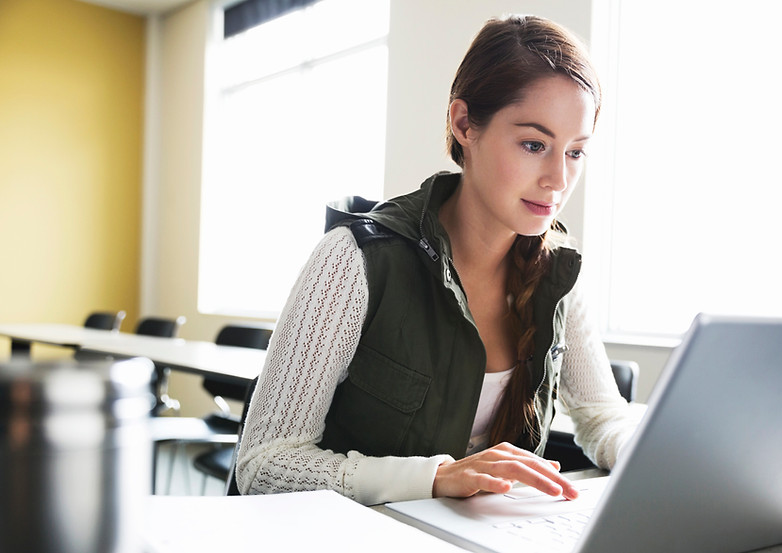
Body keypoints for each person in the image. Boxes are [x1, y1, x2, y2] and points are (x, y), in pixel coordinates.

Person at [235, 14, 638, 506]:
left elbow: (602, 419)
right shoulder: (353, 260)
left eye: (575, 152)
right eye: (534, 145)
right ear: (464, 124)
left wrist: (661, 459)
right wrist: (435, 478)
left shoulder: (557, 275)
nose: (558, 179)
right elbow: (264, 463)